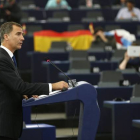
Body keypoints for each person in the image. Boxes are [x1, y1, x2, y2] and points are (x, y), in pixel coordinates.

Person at [0, 22, 69, 140]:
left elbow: (9, 86)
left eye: (22, 34)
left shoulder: (9, 57)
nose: (22, 38)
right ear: (6, 36)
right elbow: (19, 86)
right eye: (18, 34)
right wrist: (53, 86)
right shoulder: (2, 58)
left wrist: (23, 93)